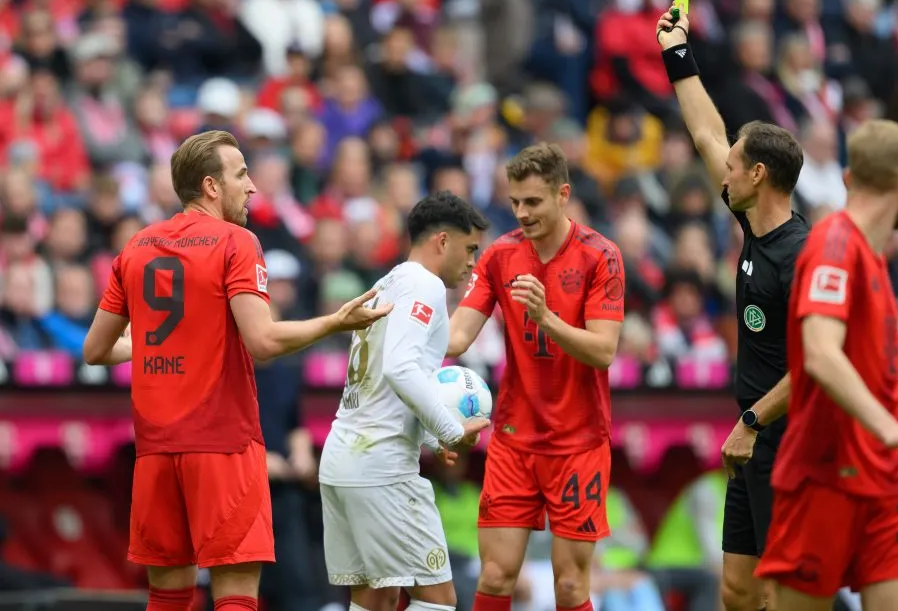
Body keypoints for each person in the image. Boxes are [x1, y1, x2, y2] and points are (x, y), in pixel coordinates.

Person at [82, 130, 392, 611]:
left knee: (167, 596)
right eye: (242, 175)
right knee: (236, 597)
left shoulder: (136, 246)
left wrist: (154, 343)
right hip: (223, 445)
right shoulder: (237, 242)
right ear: (211, 186)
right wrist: (335, 322)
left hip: (156, 453)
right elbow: (263, 340)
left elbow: (96, 350)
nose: (252, 187)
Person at [754, 119, 898, 611]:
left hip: (889, 479)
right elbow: (820, 353)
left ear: (846, 177)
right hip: (826, 474)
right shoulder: (834, 244)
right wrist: (892, 429)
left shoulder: (870, 253)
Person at [656, 10, 808, 611]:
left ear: (759, 175)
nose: (724, 167)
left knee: (781, 591)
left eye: (735, 163)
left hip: (785, 440)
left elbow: (816, 364)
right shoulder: (752, 221)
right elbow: (705, 134)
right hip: (753, 439)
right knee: (738, 590)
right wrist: (677, 52)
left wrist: (752, 421)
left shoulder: (800, 257)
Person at [447, 143, 627, 611]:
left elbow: (604, 351)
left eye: (533, 201)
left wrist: (546, 318)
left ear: (562, 194)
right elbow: (457, 337)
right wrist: (403, 326)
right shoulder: (499, 256)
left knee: (569, 586)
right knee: (495, 575)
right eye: (514, 202)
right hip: (514, 439)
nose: (521, 213)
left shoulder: (601, 256)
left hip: (579, 442)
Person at [317, 190, 492, 611]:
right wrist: (450, 431)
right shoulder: (425, 285)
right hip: (381, 467)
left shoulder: (388, 283)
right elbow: (399, 369)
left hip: (343, 460)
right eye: (470, 249)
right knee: (438, 599)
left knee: (375, 599)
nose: (473, 262)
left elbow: (383, 378)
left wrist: (431, 438)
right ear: (442, 241)